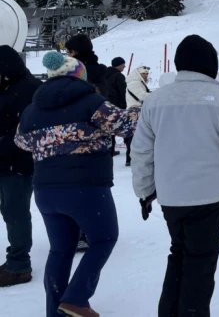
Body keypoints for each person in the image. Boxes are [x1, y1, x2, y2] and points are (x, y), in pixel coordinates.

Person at [130, 35, 219, 317]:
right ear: (210, 64)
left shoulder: (155, 100)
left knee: (179, 254)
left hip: (171, 196)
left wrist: (145, 193)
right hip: (209, 196)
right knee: (201, 263)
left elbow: (142, 151)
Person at [15, 51, 140, 316]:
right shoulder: (90, 100)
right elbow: (124, 125)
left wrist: (52, 140)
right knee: (104, 238)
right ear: (79, 75)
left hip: (46, 190)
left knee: (60, 250)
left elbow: (21, 142)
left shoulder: (31, 110)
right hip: (85, 186)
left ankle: (56, 310)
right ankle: (76, 299)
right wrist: (142, 108)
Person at [0, 46, 41, 288]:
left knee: (15, 213)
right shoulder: (9, 87)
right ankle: (15, 258)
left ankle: (19, 266)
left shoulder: (27, 90)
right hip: (7, 162)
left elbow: (25, 132)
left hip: (19, 163)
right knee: (10, 211)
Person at [124, 65, 150, 167]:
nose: (146, 75)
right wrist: (156, 95)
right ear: (138, 74)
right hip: (135, 111)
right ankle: (130, 158)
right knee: (134, 136)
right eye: (144, 73)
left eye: (147, 73)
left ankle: (131, 157)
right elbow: (142, 96)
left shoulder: (137, 82)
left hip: (137, 110)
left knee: (135, 135)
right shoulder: (135, 83)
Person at [103, 57, 127, 157]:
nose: (124, 66)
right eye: (123, 64)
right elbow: (123, 92)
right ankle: (129, 151)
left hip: (107, 104)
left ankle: (110, 149)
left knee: (109, 128)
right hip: (119, 105)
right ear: (119, 65)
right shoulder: (119, 76)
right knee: (124, 127)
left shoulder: (105, 75)